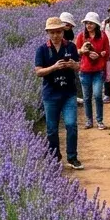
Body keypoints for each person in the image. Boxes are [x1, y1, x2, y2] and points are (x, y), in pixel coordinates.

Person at [34, 17, 82, 170]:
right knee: (52, 129)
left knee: (71, 125)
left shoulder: (71, 47)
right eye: (52, 32)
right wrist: (54, 67)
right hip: (51, 94)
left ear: (63, 32)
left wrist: (74, 65)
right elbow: (38, 72)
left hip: (68, 93)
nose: (56, 35)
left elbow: (79, 66)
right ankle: (55, 158)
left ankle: (72, 157)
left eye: (59, 32)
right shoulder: (42, 49)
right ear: (48, 33)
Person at [77, 13, 110, 130]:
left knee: (97, 95)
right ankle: (89, 121)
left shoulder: (103, 36)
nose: (88, 25)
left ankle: (99, 121)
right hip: (84, 71)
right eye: (86, 23)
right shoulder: (81, 36)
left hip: (98, 71)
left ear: (96, 24)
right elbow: (77, 52)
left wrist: (99, 56)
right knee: (86, 98)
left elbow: (107, 52)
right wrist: (84, 51)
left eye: (91, 23)